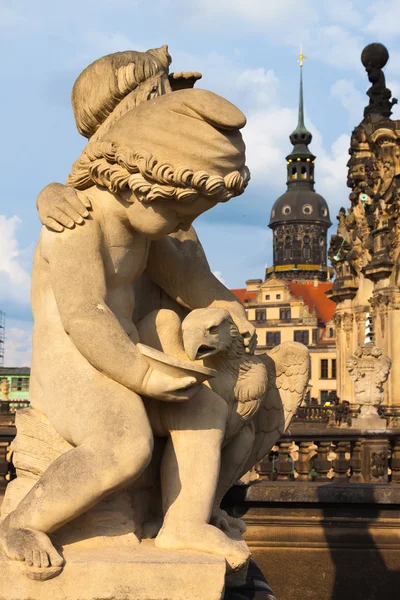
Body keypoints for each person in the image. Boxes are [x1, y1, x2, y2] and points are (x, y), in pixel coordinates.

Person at [0, 89, 251, 577]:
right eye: (180, 212)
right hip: (71, 366)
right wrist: (142, 374)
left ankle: (184, 522)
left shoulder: (141, 232)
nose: (184, 224)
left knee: (204, 409)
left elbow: (189, 280)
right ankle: (22, 522)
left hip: (120, 357)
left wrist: (228, 307)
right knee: (124, 442)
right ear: (140, 184)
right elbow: (85, 315)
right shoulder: (76, 224)